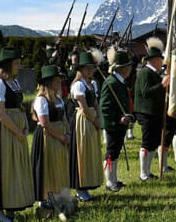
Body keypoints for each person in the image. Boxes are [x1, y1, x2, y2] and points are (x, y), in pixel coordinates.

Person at [0, 47, 34, 222]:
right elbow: (1, 114)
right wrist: (18, 132)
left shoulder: (14, 82)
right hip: (5, 131)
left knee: (15, 168)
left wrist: (25, 125)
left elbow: (20, 106)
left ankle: (12, 205)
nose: (19, 66)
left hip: (18, 130)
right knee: (2, 168)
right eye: (16, 63)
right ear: (7, 65)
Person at [31, 65, 77, 216]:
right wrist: (62, 137)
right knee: (48, 167)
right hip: (48, 138)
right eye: (57, 81)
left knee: (60, 166)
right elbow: (45, 123)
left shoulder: (58, 99)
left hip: (60, 138)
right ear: (50, 83)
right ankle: (45, 201)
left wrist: (69, 132)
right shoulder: (41, 100)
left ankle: (59, 197)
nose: (60, 83)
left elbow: (63, 117)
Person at [69, 51, 103, 202]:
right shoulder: (78, 85)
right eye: (87, 68)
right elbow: (83, 106)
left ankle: (87, 185)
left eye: (92, 67)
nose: (90, 70)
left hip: (92, 119)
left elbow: (95, 102)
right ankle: (80, 187)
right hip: (82, 120)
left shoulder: (92, 84)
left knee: (90, 153)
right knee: (81, 153)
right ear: (80, 69)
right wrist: (94, 119)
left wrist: (99, 117)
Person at [134, 37, 170, 181]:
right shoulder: (145, 72)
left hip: (154, 112)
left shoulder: (153, 73)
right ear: (154, 60)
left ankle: (148, 172)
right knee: (147, 142)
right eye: (160, 59)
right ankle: (143, 173)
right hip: (146, 112)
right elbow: (146, 92)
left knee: (153, 142)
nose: (161, 62)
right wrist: (162, 85)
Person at [100, 47, 134, 191]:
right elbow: (105, 107)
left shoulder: (119, 82)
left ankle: (114, 179)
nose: (131, 68)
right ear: (123, 68)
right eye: (129, 66)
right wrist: (117, 120)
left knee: (116, 152)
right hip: (113, 125)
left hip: (121, 124)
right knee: (111, 152)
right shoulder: (111, 83)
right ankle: (109, 182)